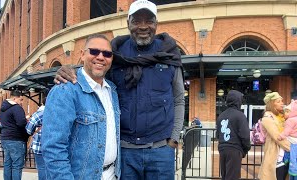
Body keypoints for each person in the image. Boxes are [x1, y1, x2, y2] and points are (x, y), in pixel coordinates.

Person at [54, 1, 185, 179]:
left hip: (161, 151)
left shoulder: (169, 54)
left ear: (156, 24)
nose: (143, 26)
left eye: (149, 21)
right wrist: (70, 70)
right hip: (125, 152)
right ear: (128, 23)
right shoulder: (115, 54)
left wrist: (174, 139)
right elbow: (93, 72)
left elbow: (178, 99)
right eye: (137, 21)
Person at [42, 34, 121, 180]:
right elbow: (53, 148)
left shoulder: (112, 91)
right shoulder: (65, 90)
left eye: (107, 54)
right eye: (94, 51)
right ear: (82, 55)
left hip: (112, 174)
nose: (100, 57)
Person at [216, 90, 251, 180]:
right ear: (237, 101)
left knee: (225, 175)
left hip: (222, 149)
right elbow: (245, 136)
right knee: (233, 177)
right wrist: (245, 149)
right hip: (234, 149)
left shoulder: (221, 116)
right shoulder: (240, 115)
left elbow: (217, 135)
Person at [259, 92, 291, 180]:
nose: (282, 103)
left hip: (286, 156)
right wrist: (292, 148)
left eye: (282, 101)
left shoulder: (283, 116)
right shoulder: (267, 118)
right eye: (278, 101)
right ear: (272, 104)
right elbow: (277, 137)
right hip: (275, 157)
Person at [0, 90, 29, 180]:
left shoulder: (3, 108)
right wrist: (26, 119)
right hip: (16, 139)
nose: (21, 102)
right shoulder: (16, 108)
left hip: (5, 138)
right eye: (20, 99)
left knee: (7, 164)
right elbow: (21, 123)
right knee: (17, 165)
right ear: (14, 98)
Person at [25, 97, 47, 180]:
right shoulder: (59, 113)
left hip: (40, 145)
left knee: (42, 168)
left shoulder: (39, 114)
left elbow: (28, 130)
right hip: (56, 146)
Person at [277, 100, 297, 179]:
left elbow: (286, 131)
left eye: (287, 112)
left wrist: (280, 136)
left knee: (291, 158)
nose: (284, 114)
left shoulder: (290, 120)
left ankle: (293, 173)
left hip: (291, 141)